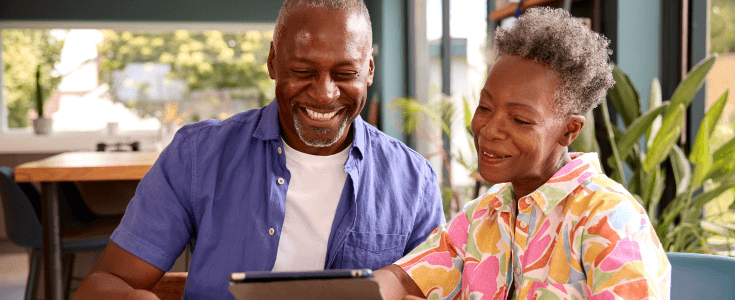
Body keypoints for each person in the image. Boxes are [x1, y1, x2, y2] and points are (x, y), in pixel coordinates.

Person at [74, 0, 445, 299]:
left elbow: (435, 290)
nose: (325, 93)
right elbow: (101, 283)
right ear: (272, 62)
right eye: (303, 70)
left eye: (345, 74)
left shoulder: (414, 181)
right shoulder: (196, 157)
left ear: (369, 70)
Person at [374, 7, 671, 300]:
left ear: (569, 130)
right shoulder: (483, 214)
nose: (489, 130)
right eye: (485, 108)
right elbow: (403, 280)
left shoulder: (609, 218)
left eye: (520, 120)